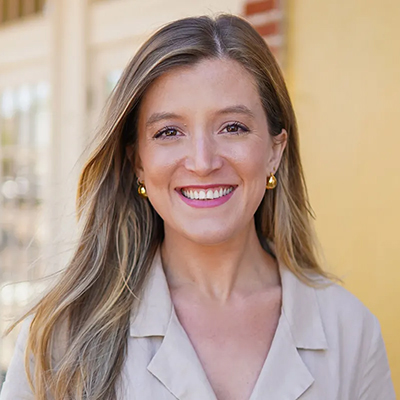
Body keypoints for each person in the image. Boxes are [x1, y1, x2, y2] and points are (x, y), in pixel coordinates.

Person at [0, 14, 395, 400]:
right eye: (169, 132)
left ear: (275, 151)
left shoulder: (351, 332)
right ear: (138, 162)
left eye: (233, 127)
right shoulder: (62, 337)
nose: (203, 162)